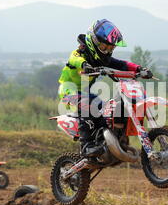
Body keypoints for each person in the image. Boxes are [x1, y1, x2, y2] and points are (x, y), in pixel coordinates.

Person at [58, 19, 153, 157]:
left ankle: (106, 142)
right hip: (68, 90)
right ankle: (86, 145)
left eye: (110, 48)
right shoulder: (80, 53)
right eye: (104, 47)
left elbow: (122, 64)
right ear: (93, 42)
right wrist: (84, 65)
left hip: (86, 92)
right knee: (87, 105)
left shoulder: (103, 58)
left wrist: (139, 69)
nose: (107, 51)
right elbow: (74, 59)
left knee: (106, 113)